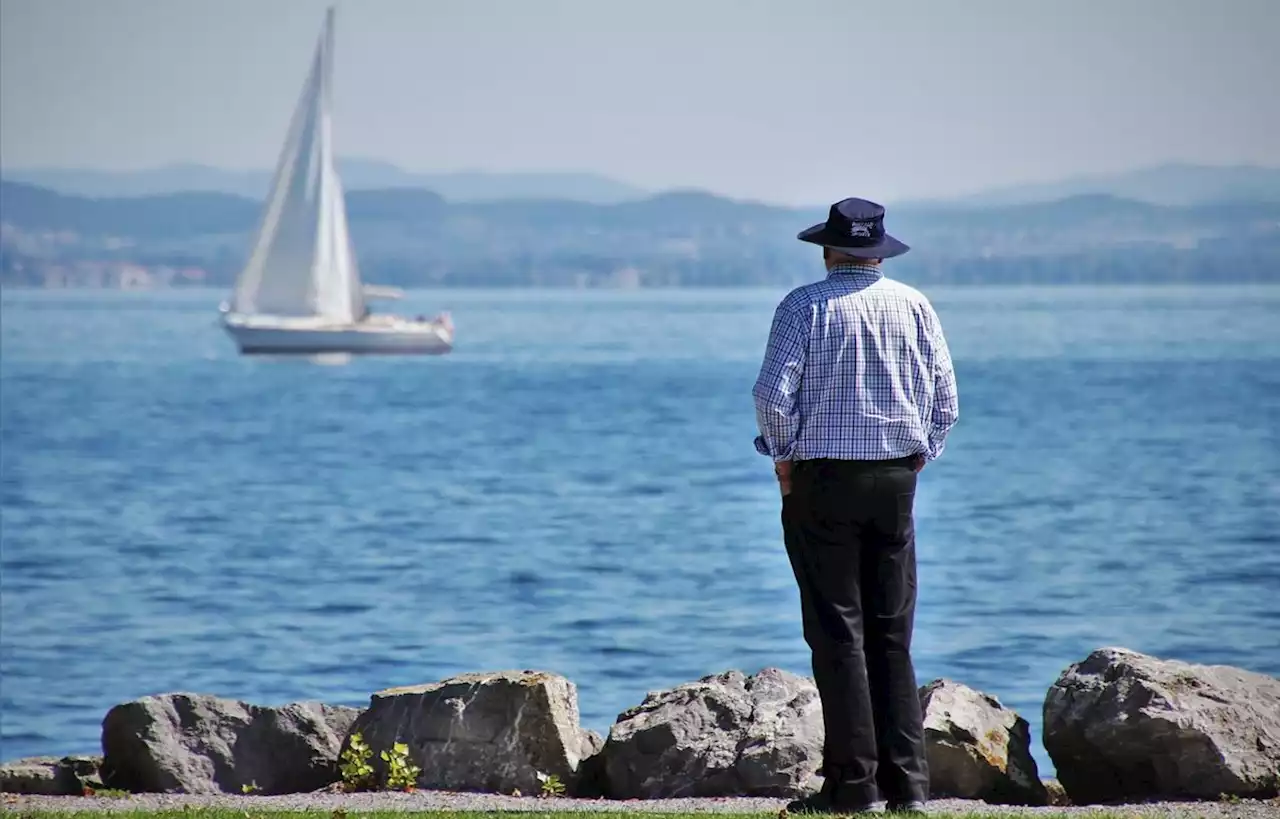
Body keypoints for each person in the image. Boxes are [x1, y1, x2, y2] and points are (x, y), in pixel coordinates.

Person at [752, 197, 959, 814]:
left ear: (827, 249)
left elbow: (771, 395)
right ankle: (910, 790)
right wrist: (919, 456)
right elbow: (945, 398)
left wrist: (784, 459)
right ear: (879, 251)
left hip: (822, 480)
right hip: (896, 480)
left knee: (837, 633)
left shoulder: (802, 306)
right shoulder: (914, 305)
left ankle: (853, 787)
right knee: (892, 635)